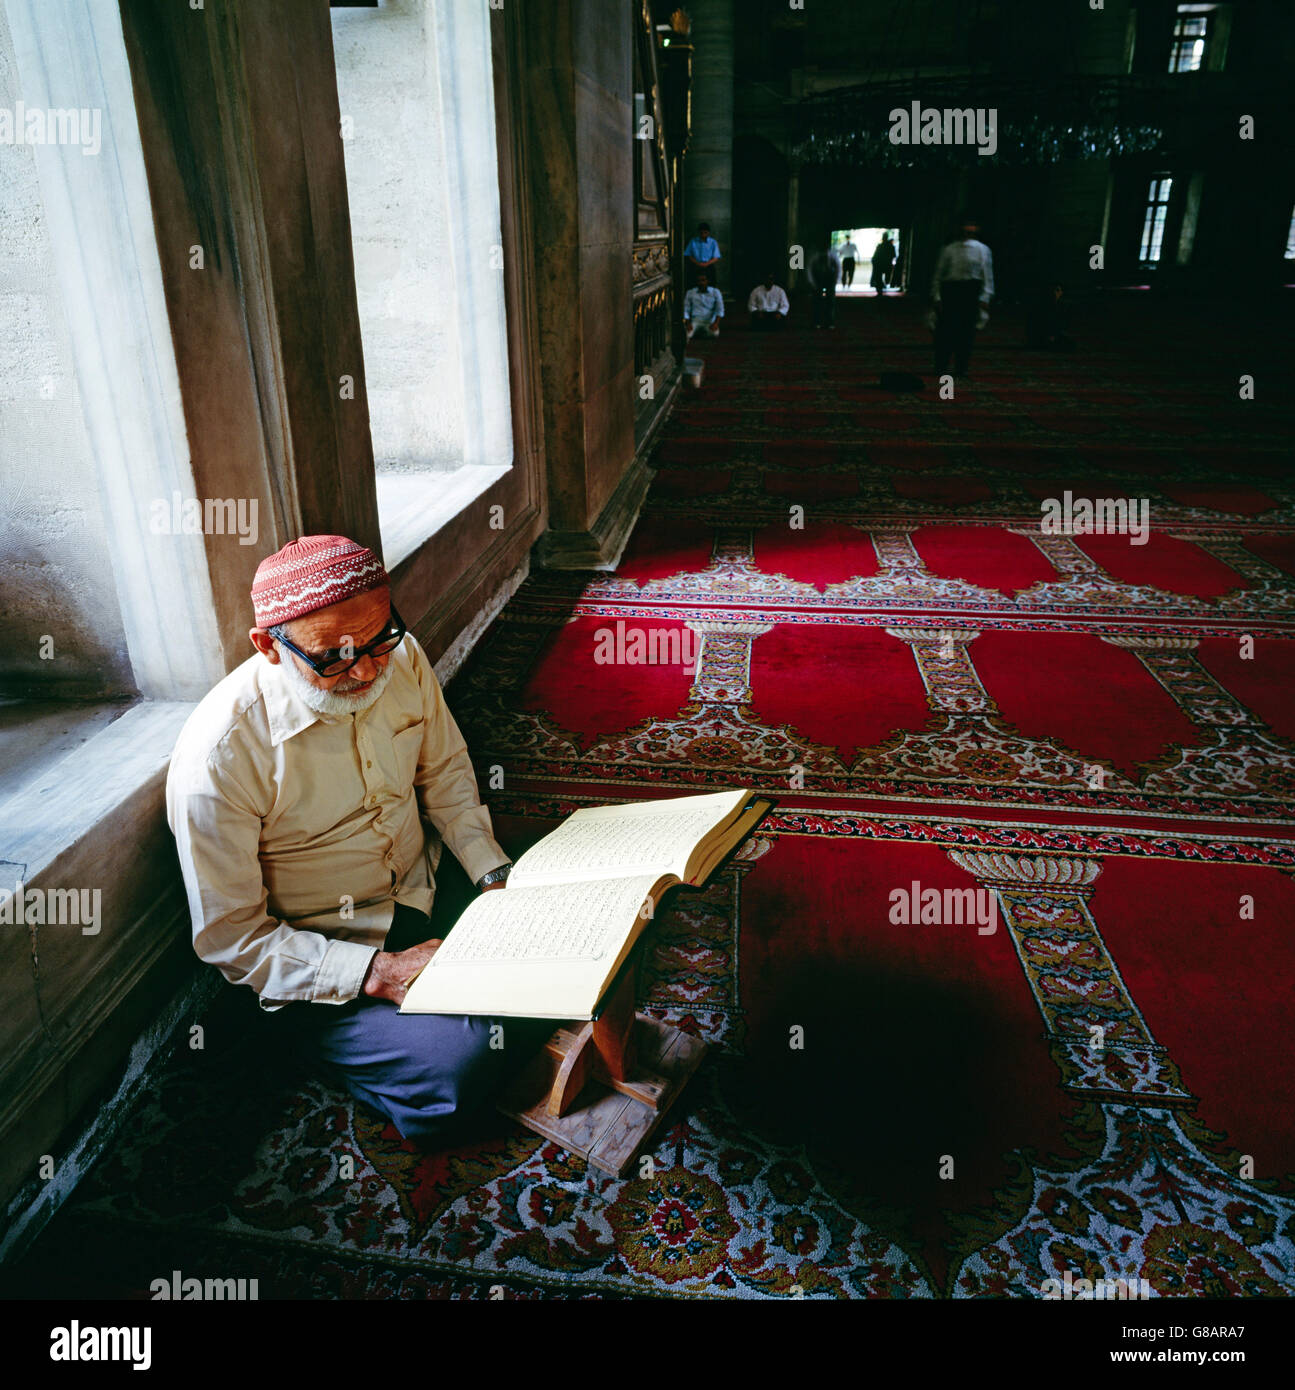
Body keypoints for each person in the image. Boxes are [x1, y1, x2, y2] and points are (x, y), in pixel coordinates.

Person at [166, 534, 547, 1144]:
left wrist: (492, 876)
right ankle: (322, 1043)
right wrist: (380, 971)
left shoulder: (404, 657)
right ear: (269, 645)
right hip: (327, 951)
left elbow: (445, 773)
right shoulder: (218, 757)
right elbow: (232, 938)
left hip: (423, 888)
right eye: (334, 659)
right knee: (457, 1069)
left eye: (378, 642)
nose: (367, 671)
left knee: (578, 898)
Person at [930, 220, 994, 377]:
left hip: (970, 293)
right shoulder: (949, 250)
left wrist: (985, 298)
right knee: (945, 332)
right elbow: (938, 276)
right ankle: (941, 367)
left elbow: (987, 276)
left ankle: (961, 367)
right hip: (951, 292)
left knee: (966, 334)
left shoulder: (983, 250)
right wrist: (937, 297)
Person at [1026, 282, 1076, 351]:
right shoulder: (1042, 306)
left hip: (1051, 335)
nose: (1059, 293)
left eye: (1060, 291)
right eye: (1057, 290)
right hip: (1041, 336)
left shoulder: (1058, 305)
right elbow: (1038, 324)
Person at [809, 240, 841, 328]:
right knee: (816, 302)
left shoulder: (833, 256)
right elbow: (809, 270)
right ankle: (817, 322)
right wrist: (813, 283)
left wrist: (836, 281)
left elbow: (838, 268)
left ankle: (830, 322)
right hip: (818, 279)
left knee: (830, 302)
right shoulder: (815, 256)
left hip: (829, 280)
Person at [684, 271, 725, 339]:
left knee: (715, 334)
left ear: (707, 281)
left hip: (709, 321)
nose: (701, 283)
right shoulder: (690, 292)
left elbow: (720, 309)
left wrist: (715, 323)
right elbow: (686, 309)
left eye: (703, 280)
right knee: (688, 335)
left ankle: (702, 334)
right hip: (696, 320)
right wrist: (688, 323)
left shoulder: (715, 292)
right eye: (699, 281)